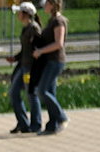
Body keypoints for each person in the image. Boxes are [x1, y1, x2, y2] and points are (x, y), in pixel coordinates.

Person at [32, 0, 69, 135]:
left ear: (52, 5)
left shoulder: (59, 21)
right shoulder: (52, 20)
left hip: (55, 61)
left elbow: (59, 44)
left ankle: (61, 117)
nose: (44, 6)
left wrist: (41, 51)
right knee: (50, 92)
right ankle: (52, 125)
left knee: (41, 90)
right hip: (49, 61)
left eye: (46, 3)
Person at [5, 1, 42, 134]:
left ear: (26, 14)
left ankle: (36, 124)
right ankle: (23, 124)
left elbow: (38, 49)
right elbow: (25, 50)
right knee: (14, 93)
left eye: (20, 12)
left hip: (30, 68)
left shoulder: (34, 28)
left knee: (31, 95)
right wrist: (15, 58)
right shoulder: (25, 28)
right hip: (23, 66)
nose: (18, 15)